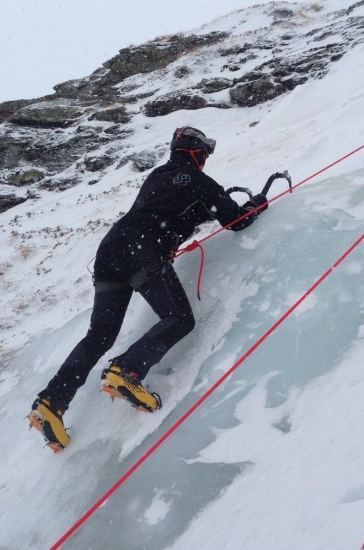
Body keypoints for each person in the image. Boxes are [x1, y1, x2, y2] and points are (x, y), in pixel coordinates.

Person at [28, 127, 268, 451]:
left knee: (99, 335)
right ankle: (126, 370)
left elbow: (172, 209)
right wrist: (257, 203)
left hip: (110, 250)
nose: (206, 161)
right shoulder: (198, 181)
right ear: (198, 154)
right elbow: (237, 220)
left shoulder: (156, 177)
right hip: (142, 250)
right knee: (179, 318)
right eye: (205, 155)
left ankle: (50, 403)